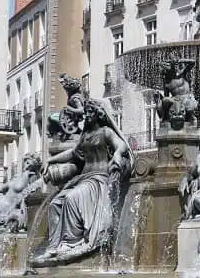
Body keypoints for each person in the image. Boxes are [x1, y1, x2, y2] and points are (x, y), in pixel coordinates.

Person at [35, 98, 133, 262]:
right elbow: (72, 153)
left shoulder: (105, 132)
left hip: (98, 179)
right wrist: (50, 161)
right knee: (54, 204)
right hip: (83, 178)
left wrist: (116, 154)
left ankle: (70, 242)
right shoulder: (85, 135)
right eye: (86, 112)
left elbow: (121, 145)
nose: (86, 116)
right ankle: (53, 247)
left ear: (98, 114)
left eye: (90, 112)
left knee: (71, 198)